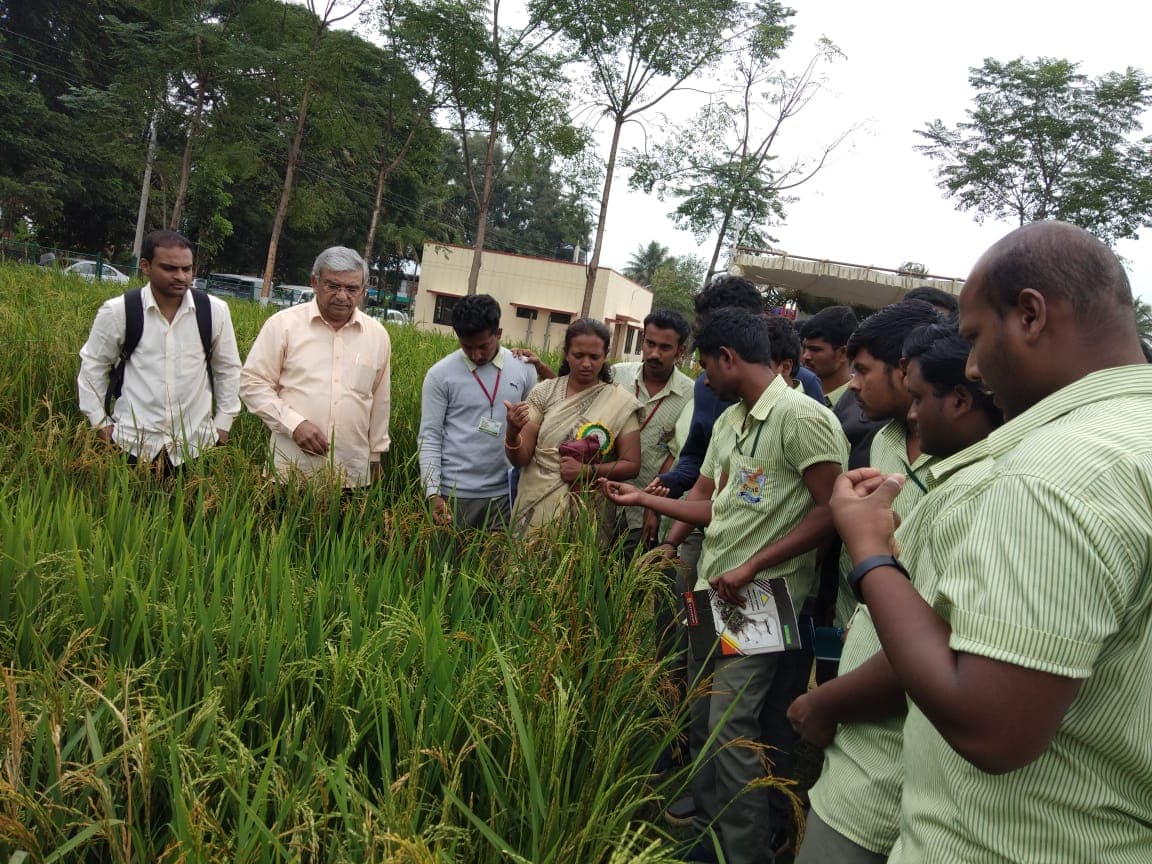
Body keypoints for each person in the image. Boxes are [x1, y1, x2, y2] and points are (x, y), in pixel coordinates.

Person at [834, 221, 1152, 863]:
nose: (973, 367)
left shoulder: (1054, 471)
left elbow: (993, 727)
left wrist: (872, 553)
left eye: (976, 338)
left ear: (1031, 315)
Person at [604, 307, 848, 864]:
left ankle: (743, 851)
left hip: (759, 596)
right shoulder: (731, 420)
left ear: (729, 358)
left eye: (706, 364)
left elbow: (831, 511)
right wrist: (646, 501)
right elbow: (708, 504)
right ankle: (709, 831)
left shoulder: (801, 418)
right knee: (700, 709)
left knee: (731, 723)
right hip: (709, 587)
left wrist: (753, 564)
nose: (703, 377)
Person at [788, 320, 1002, 864]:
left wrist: (823, 701)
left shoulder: (980, 491)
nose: (910, 409)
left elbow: (932, 639)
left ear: (958, 399)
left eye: (919, 394)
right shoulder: (875, 442)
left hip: (890, 766)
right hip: (863, 726)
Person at [77, 229, 241, 471]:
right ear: (145, 266)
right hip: (131, 444)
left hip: (195, 447)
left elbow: (228, 370)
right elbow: (93, 366)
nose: (181, 277)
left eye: (187, 269)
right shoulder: (119, 310)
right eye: (169, 268)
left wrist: (222, 426)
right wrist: (100, 424)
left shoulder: (213, 311)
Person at [241, 246, 391, 488]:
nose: (342, 296)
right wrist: (294, 424)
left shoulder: (377, 336)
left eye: (352, 288)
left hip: (351, 474)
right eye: (333, 286)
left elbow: (380, 401)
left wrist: (375, 457)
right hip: (290, 472)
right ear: (315, 282)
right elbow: (252, 384)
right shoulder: (283, 325)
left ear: (363, 290)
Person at [834, 300, 941, 627]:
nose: (853, 384)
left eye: (863, 370)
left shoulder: (960, 453)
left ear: (904, 369)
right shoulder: (883, 439)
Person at [503, 318, 642, 534]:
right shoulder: (544, 392)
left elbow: (631, 465)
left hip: (589, 513)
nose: (586, 364)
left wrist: (587, 471)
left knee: (579, 568)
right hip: (536, 505)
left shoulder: (619, 402)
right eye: (579, 355)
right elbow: (521, 458)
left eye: (594, 357)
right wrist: (512, 433)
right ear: (567, 353)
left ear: (605, 357)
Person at [418, 294, 539, 529]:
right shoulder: (440, 375)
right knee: (447, 564)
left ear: (499, 334)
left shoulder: (524, 369)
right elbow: (429, 436)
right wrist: (433, 493)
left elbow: (536, 425)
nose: (476, 355)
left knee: (497, 564)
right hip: (453, 495)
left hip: (505, 494)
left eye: (484, 346)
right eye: (467, 347)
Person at [609, 309, 694, 555]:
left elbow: (675, 454)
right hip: (602, 498)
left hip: (644, 511)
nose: (655, 354)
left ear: (680, 352)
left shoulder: (691, 394)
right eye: (650, 343)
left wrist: (653, 508)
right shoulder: (617, 375)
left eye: (665, 348)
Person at [799, 305, 881, 469]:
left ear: (843, 353)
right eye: (804, 348)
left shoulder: (865, 407)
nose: (806, 356)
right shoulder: (797, 394)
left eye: (815, 350)